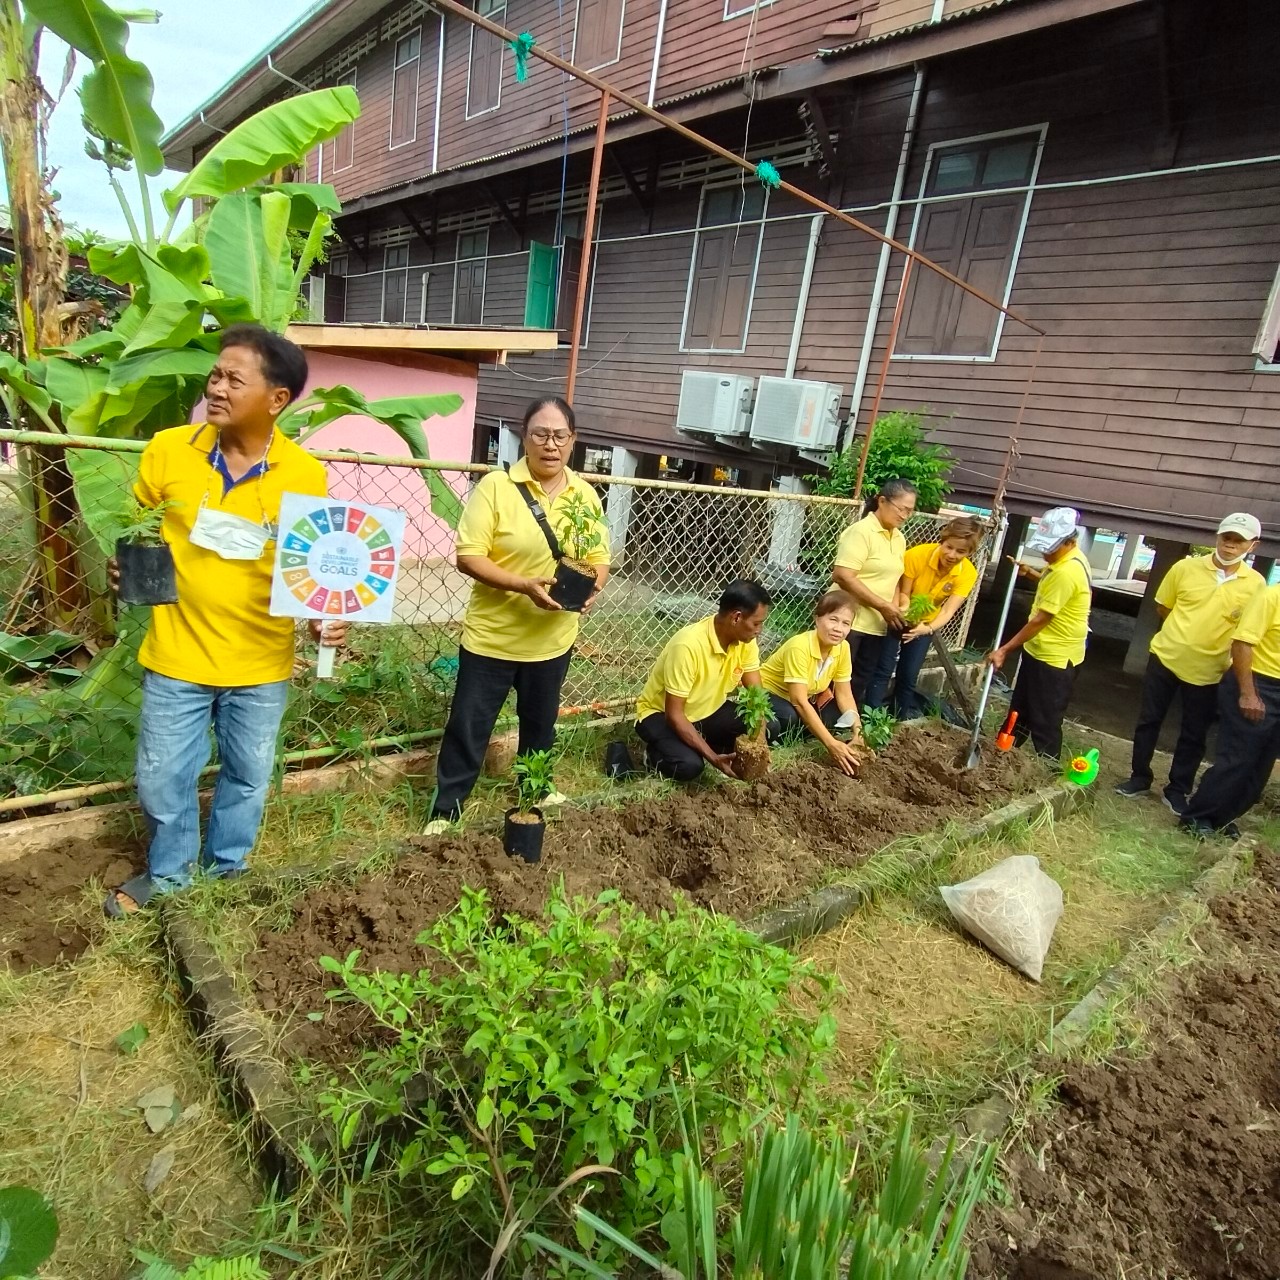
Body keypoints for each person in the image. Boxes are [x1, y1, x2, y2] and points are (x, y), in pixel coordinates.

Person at [106, 325, 345, 916]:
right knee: (162, 777)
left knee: (247, 776)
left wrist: (322, 619)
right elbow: (139, 527)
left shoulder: (303, 474)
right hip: (176, 651)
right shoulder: (168, 450)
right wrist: (125, 568)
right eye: (215, 375)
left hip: (261, 660)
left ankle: (228, 867)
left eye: (235, 379)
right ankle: (170, 874)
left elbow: (310, 567)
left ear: (277, 398)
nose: (216, 387)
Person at [424, 397, 609, 832]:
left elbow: (598, 554)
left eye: (560, 435)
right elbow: (469, 556)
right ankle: (447, 806)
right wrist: (522, 585)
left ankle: (536, 788)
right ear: (524, 438)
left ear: (573, 440)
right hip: (495, 637)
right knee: (470, 724)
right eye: (540, 434)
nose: (550, 444)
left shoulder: (584, 495)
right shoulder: (496, 487)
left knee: (540, 723)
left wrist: (593, 585)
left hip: (552, 638)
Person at [1115, 513, 1264, 814]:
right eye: (1226, 538)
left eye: (1239, 541)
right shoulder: (1185, 568)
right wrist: (1184, 635)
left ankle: (1177, 789)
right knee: (1149, 720)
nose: (1230, 546)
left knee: (1194, 733)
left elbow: (1249, 631)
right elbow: (1163, 607)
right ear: (1217, 537)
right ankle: (1139, 776)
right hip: (1166, 657)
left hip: (1209, 670)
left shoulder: (1256, 585)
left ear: (1253, 545)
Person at [635, 580, 771, 781]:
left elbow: (757, 697)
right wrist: (714, 759)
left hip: (707, 711)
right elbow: (674, 715)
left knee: (766, 727)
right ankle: (654, 757)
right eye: (756, 623)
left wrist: (760, 748)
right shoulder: (688, 645)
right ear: (736, 617)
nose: (759, 630)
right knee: (690, 766)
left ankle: (699, 743)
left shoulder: (746, 642)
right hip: (661, 714)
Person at [986, 507, 1092, 760]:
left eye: (1051, 547)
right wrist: (1031, 574)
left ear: (1070, 541)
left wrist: (1004, 650)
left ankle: (1048, 771)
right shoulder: (1069, 560)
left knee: (1044, 719)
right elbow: (1052, 583)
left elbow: (1040, 620)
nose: (1045, 553)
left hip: (1055, 659)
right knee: (1019, 710)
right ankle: (1001, 755)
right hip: (1041, 651)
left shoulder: (1067, 572)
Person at [1179, 579, 1280, 839]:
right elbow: (1242, 643)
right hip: (1257, 683)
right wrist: (1248, 694)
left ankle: (1223, 817)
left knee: (1261, 764)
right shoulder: (1271, 597)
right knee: (1238, 758)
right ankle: (1198, 816)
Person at [880, 516, 984, 718]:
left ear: (970, 552)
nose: (952, 554)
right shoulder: (916, 555)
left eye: (961, 551)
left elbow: (948, 611)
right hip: (898, 614)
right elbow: (904, 592)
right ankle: (871, 714)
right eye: (949, 547)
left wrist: (925, 629)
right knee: (883, 668)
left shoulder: (967, 573)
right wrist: (903, 610)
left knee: (909, 674)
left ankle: (899, 718)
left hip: (926, 623)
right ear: (942, 541)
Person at [759, 590, 863, 776]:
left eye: (846, 623)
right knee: (789, 716)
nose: (838, 628)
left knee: (842, 716)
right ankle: (780, 744)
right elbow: (798, 700)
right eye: (833, 619)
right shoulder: (800, 646)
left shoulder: (843, 648)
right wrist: (831, 744)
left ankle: (803, 733)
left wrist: (858, 734)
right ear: (817, 619)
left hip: (803, 699)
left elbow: (845, 694)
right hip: (769, 692)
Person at [832, 477, 916, 707]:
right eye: (902, 509)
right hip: (849, 621)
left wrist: (898, 604)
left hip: (877, 625)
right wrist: (883, 605)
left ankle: (841, 727)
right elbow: (842, 575)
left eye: (910, 511)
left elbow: (894, 577)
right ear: (882, 501)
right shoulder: (861, 532)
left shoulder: (899, 538)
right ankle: (811, 731)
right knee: (833, 680)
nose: (905, 516)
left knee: (859, 680)